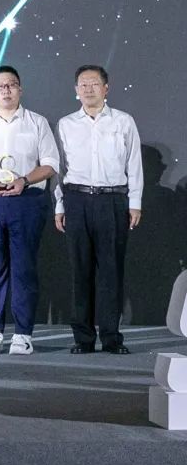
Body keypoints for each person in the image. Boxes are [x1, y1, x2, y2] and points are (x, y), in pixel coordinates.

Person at [54, 65, 142, 354]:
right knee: (80, 271)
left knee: (111, 272)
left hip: (112, 200)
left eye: (94, 83)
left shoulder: (123, 121)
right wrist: (60, 205)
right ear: (75, 90)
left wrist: (134, 202)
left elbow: (134, 164)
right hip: (76, 200)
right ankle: (83, 338)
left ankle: (112, 337)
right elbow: (60, 169)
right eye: (83, 84)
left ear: (106, 88)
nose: (88, 89)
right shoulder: (66, 124)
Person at [0, 66, 59, 356]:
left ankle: (23, 333)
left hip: (28, 201)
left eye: (12, 85)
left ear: (20, 89)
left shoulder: (37, 122)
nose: (6, 90)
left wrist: (24, 180)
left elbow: (51, 164)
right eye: (1, 86)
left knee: (24, 268)